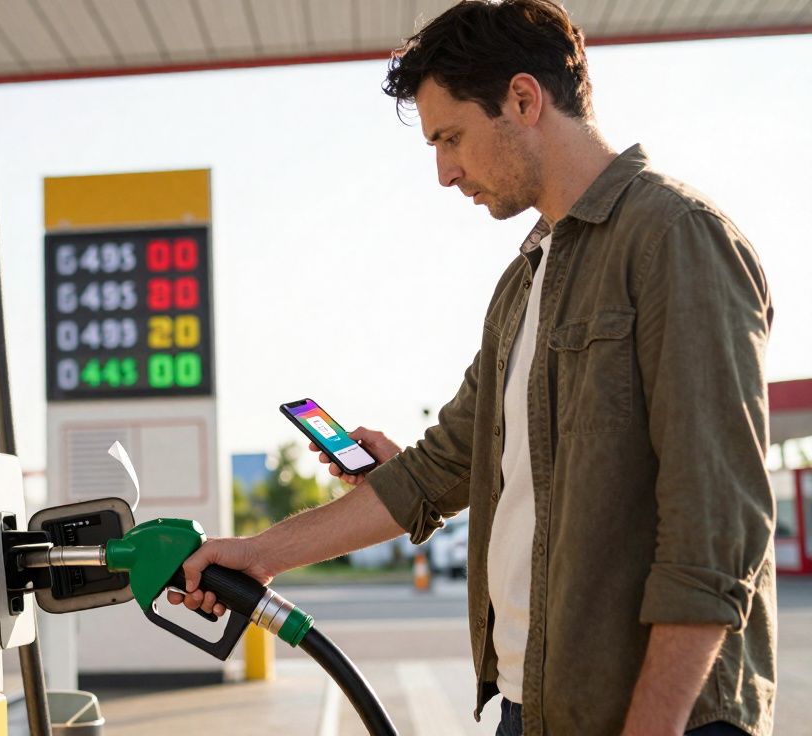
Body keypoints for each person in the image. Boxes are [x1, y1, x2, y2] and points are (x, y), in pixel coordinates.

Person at [168, 2, 776, 734]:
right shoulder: (523, 283)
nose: (444, 173)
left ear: (524, 99)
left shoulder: (676, 239)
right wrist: (258, 555)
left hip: (657, 716)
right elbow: (433, 472)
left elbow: (718, 532)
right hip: (534, 706)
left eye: (450, 137)